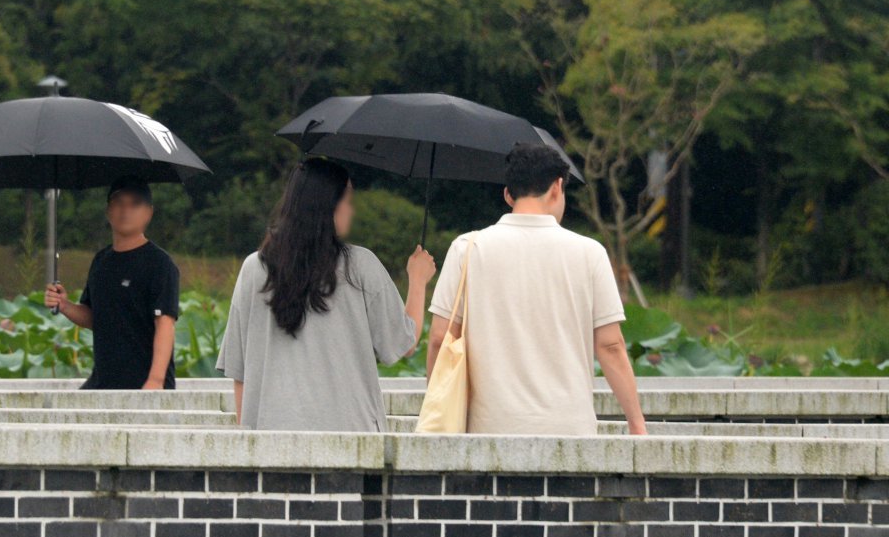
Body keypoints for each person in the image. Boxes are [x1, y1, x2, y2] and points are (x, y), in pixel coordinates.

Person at [427, 143, 646, 436]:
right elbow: (611, 346)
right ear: (557, 187)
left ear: (507, 193)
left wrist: (439, 408)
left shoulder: (467, 248)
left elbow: (440, 338)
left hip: (488, 430)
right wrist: (636, 423)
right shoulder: (589, 253)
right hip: (571, 429)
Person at [216, 158, 436, 431]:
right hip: (353, 438)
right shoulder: (361, 266)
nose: (351, 211)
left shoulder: (254, 268)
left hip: (271, 442)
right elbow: (405, 342)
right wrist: (418, 280)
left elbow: (240, 373)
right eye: (348, 200)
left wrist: (247, 442)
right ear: (329, 205)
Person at [45, 176, 179, 390]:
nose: (125, 210)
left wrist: (155, 381)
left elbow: (165, 323)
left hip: (144, 383)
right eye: (119, 203)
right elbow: (95, 318)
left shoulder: (159, 264)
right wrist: (64, 305)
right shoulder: (101, 261)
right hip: (103, 382)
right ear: (108, 211)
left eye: (135, 204)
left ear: (149, 213)